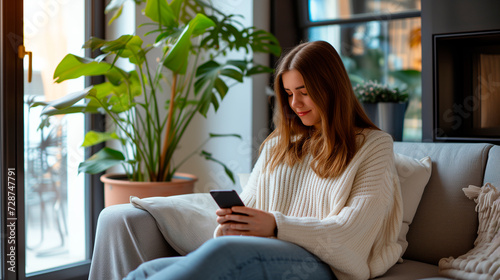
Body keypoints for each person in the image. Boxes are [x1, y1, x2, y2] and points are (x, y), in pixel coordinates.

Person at [90, 40, 403, 280]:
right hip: (265, 249)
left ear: (331, 89)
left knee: (224, 252)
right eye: (289, 93)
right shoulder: (278, 145)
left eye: (304, 92)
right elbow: (250, 206)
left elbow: (353, 233)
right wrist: (233, 223)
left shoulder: (374, 146)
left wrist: (277, 226)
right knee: (149, 271)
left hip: (323, 264)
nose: (295, 104)